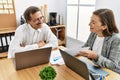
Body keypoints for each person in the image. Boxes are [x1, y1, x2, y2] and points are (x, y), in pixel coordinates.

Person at [77, 9, 120, 74]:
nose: (89, 24)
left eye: (93, 22)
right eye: (90, 20)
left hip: (109, 73)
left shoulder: (115, 40)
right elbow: (86, 47)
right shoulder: (94, 33)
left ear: (104, 26)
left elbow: (113, 65)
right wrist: (74, 52)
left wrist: (96, 56)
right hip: (93, 67)